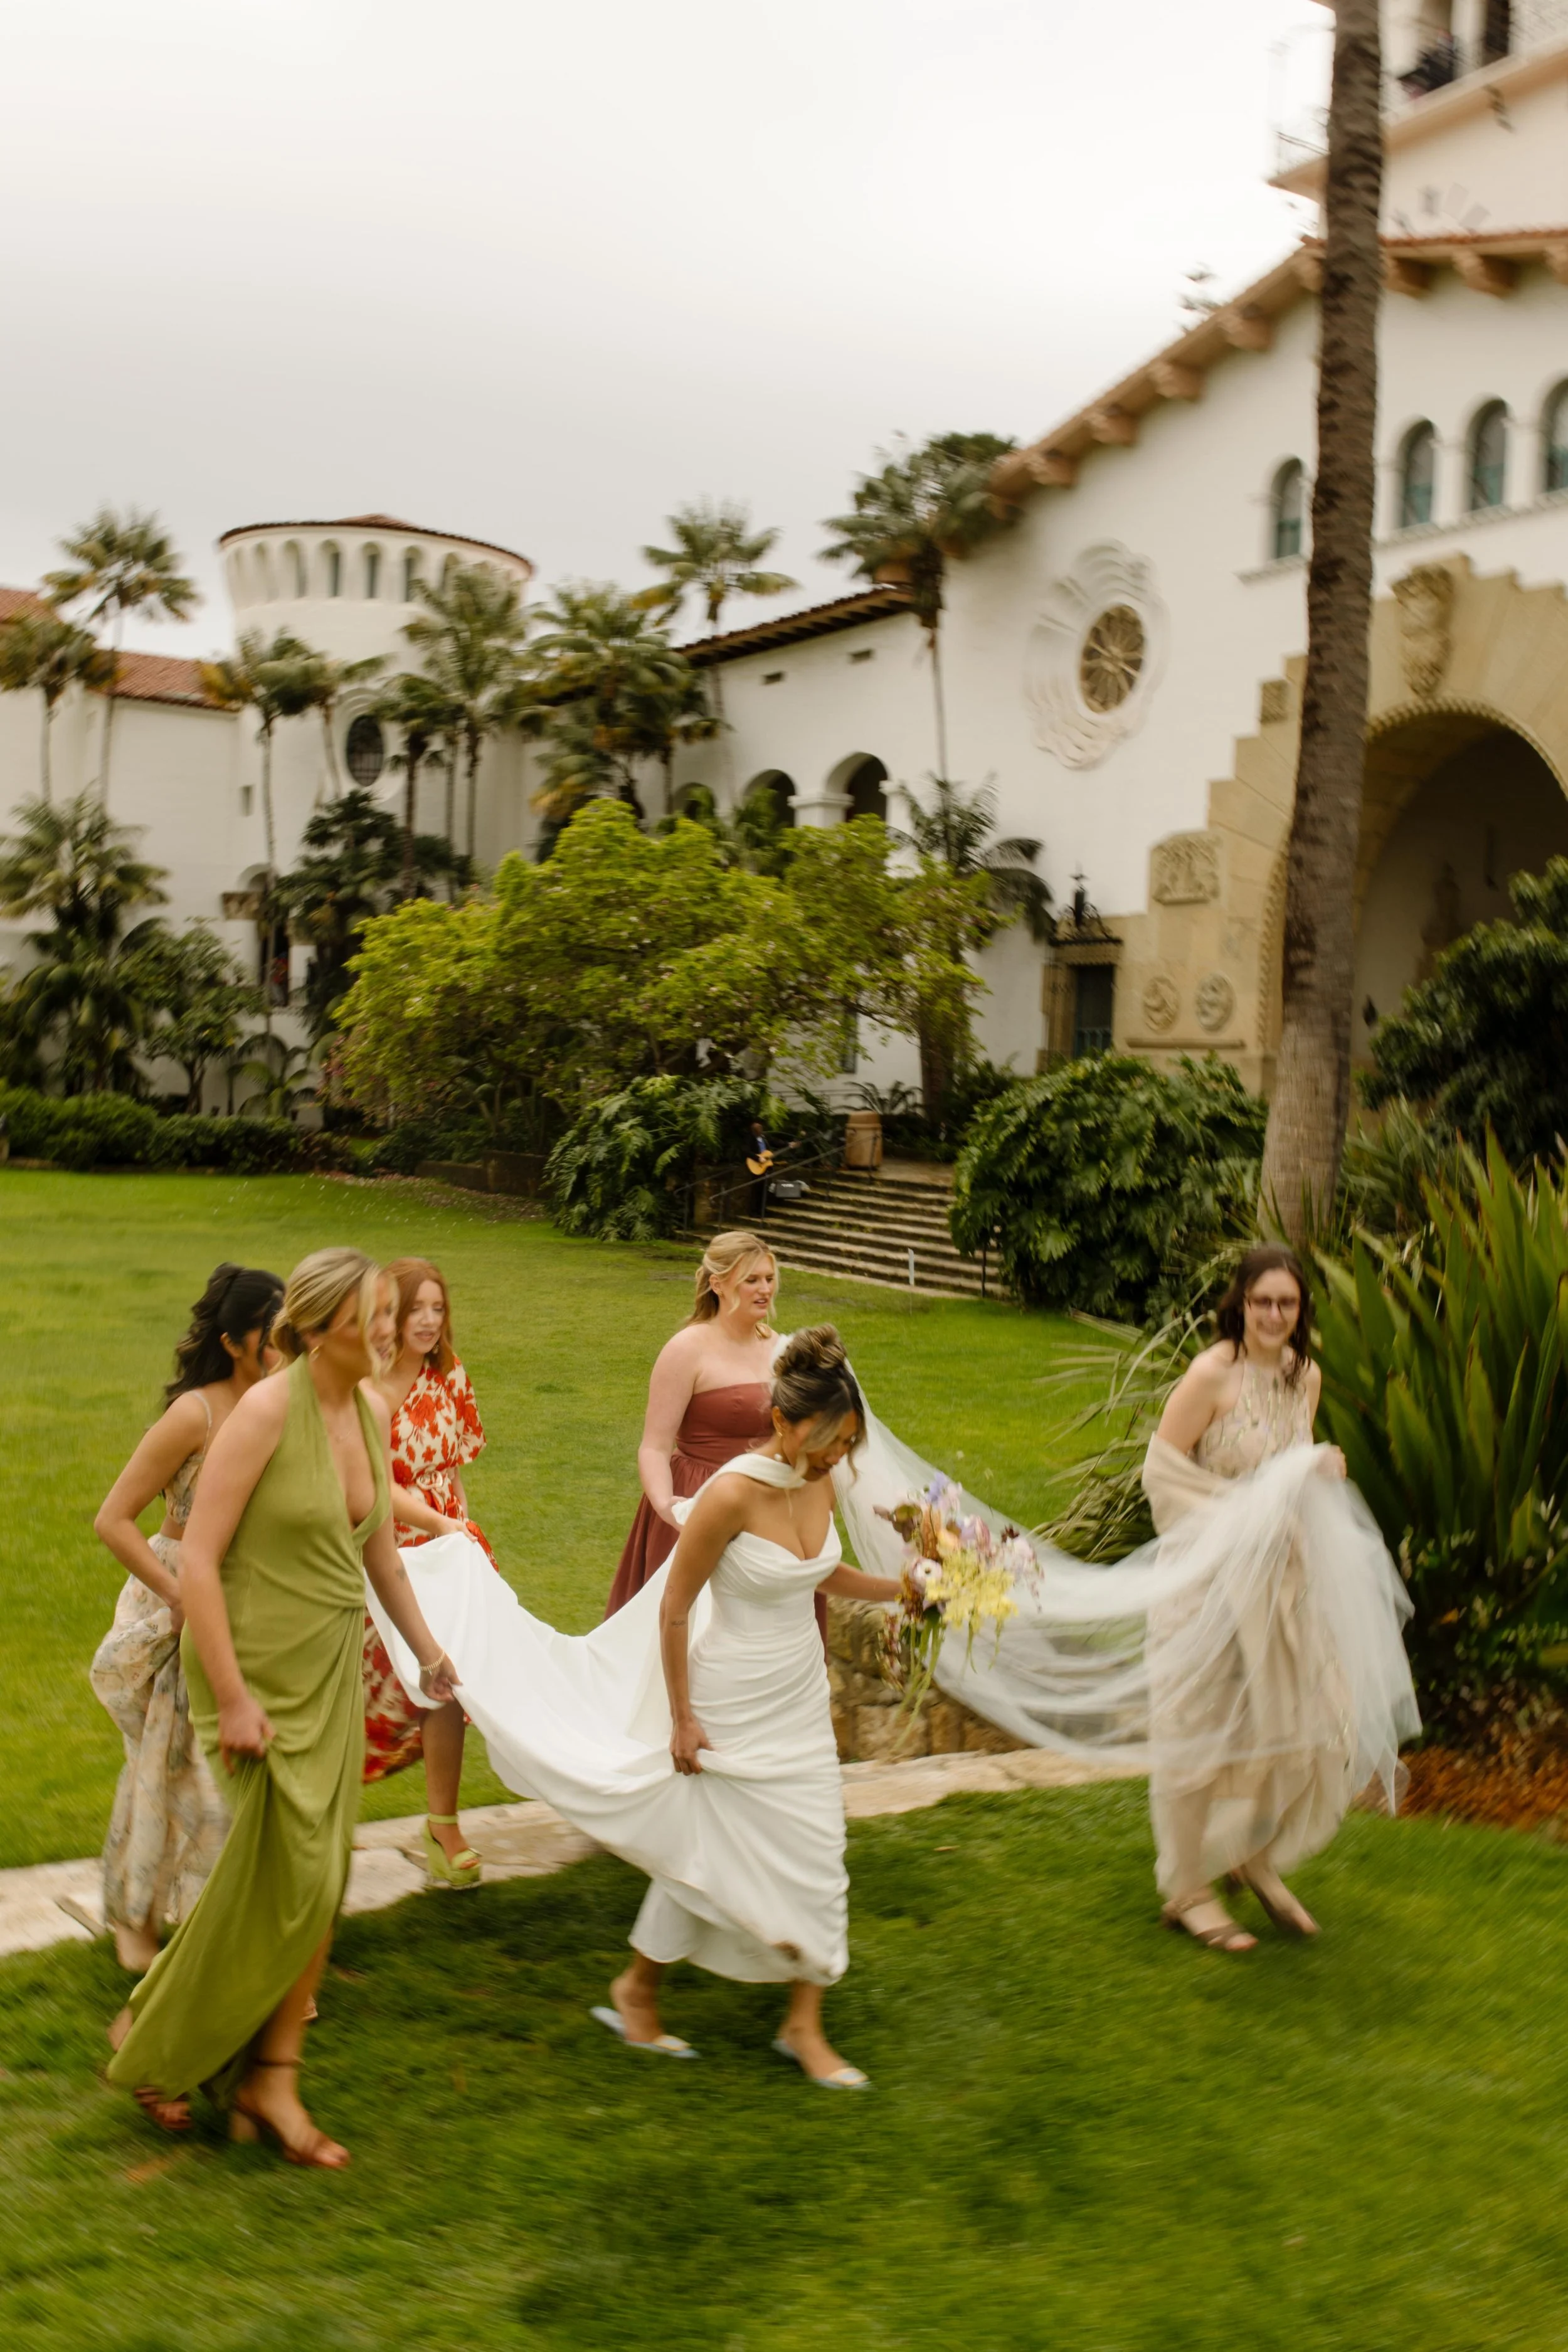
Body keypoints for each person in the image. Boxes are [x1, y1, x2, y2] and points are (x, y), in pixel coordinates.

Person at [832, 1246, 1419, 1954]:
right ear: (1239, 1304)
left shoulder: (1305, 1377)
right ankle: (1187, 1891)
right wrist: (1264, 1499)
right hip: (1204, 1581)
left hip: (1280, 1584)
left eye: (1286, 1303)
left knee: (1301, 1727)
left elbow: (1287, 1464)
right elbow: (1161, 1477)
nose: (1273, 1315)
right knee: (1197, 1734)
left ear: (1301, 1311)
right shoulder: (1212, 1375)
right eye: (1261, 1301)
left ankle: (1251, 1855)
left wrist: (1313, 1472)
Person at [375, 1326, 903, 2087]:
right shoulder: (730, 1494)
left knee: (819, 1850)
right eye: (827, 1440)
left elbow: (818, 1575)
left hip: (796, 1693)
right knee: (705, 1853)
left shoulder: (819, 1481)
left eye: (848, 1441)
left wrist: (897, 1590)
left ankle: (801, 2022)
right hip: (728, 1699)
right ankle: (639, 1993)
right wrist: (683, 1718)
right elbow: (676, 1611)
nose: (838, 1457)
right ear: (782, 1422)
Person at [106, 1248, 459, 2166]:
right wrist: (228, 1697)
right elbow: (203, 1559)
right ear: (315, 1329)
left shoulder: (373, 1408)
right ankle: (160, 2038)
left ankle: (270, 2076)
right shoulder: (265, 1411)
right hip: (255, 1664)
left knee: (314, 1880)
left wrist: (426, 1649)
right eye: (370, 1318)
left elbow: (377, 1547)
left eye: (388, 1312)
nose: (387, 1330)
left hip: (331, 1660)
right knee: (284, 1875)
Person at [91, 1264, 283, 1973]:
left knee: (226, 1772)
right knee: (165, 1765)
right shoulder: (194, 1415)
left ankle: (238, 1933)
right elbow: (114, 1520)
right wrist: (175, 1596)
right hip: (177, 1600)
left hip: (249, 1602)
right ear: (236, 1341)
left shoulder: (280, 1405)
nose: (288, 1343)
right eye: (276, 1330)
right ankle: (138, 1913)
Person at [364, 1256, 498, 1888]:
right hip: (384, 1548)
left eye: (436, 1309)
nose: (426, 1320)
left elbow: (453, 1470)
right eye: (413, 1308)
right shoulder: (364, 1387)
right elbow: (370, 1487)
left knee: (449, 1682)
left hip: (449, 1546)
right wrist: (439, 1524)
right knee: (366, 1690)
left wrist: (461, 1530)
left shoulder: (449, 1376)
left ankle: (443, 1824)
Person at [605, 1232, 780, 1618]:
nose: (764, 1288)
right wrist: (668, 1508)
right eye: (751, 1280)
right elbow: (654, 1446)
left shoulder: (780, 1348)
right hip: (697, 1499)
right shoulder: (686, 1349)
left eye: (768, 1278)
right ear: (717, 1284)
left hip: (766, 1503)